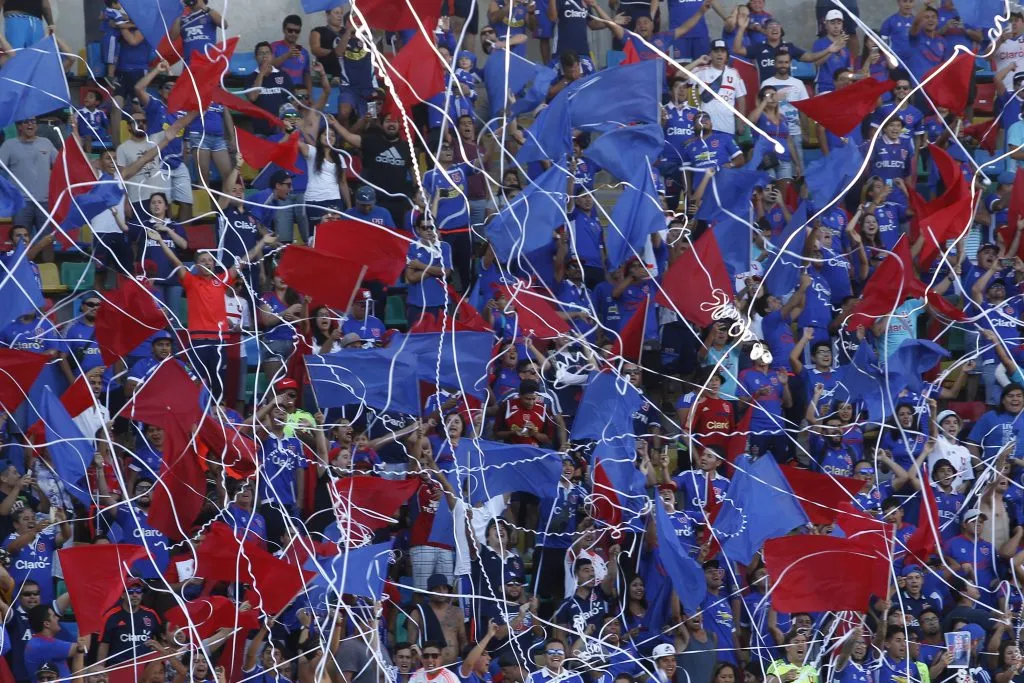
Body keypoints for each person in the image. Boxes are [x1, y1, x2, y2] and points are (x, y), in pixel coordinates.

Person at [0, 118, 57, 236]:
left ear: (37, 126)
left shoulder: (46, 142)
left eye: (33, 122)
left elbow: (61, 164)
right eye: (26, 122)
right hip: (21, 203)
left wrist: (74, 129)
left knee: (47, 242)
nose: (30, 124)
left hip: (45, 202)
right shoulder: (9, 145)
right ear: (20, 127)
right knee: (21, 242)